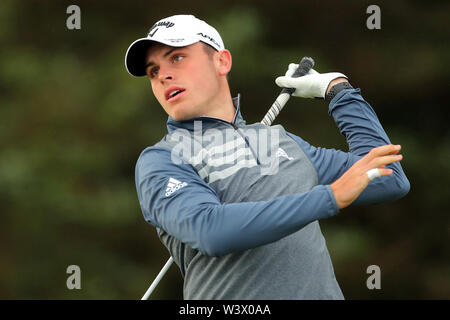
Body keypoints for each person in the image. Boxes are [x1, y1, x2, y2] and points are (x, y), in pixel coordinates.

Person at [125, 14, 410, 299]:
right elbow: (210, 230)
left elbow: (389, 178)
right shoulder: (162, 160)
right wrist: (330, 197)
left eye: (176, 58)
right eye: (153, 71)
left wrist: (337, 90)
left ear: (221, 62)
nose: (163, 75)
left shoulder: (283, 142)